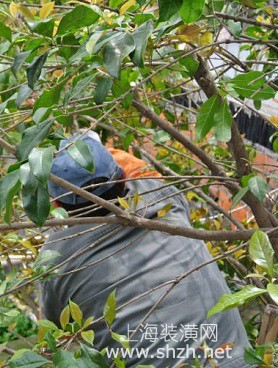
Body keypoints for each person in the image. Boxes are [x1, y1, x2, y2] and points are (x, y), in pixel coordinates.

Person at [41, 132, 252, 367]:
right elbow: (134, 169)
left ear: (57, 204)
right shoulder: (161, 196)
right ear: (121, 178)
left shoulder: (56, 260)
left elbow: (58, 328)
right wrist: (96, 151)